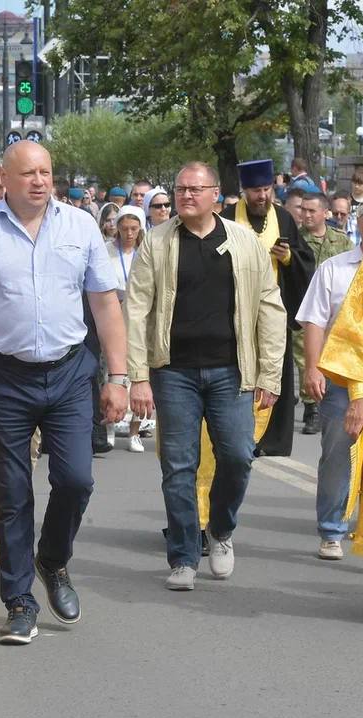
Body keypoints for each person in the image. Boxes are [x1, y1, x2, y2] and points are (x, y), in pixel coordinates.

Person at [0, 140, 128, 645]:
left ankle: (54, 560)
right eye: (28, 174)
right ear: (5, 178)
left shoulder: (81, 225)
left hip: (68, 373)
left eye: (46, 172)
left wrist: (120, 376)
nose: (39, 181)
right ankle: (19, 601)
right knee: (12, 495)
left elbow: (105, 305)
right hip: (4, 376)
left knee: (76, 479)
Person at [127, 162, 286, 591]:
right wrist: (137, 376)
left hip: (231, 370)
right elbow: (137, 308)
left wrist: (270, 375)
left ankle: (220, 529)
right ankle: (182, 556)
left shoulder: (245, 241)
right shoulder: (158, 242)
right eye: (180, 189)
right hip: (173, 371)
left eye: (195, 189)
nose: (186, 196)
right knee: (178, 467)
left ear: (216, 194)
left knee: (237, 456)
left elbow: (270, 307)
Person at [223, 159, 315, 457]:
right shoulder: (226, 218)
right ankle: (236, 434)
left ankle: (270, 439)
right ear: (244, 191)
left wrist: (288, 258)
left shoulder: (283, 219)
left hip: (273, 310)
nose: (262, 196)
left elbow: (304, 259)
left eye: (266, 189)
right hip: (233, 312)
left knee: (274, 374)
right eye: (255, 191)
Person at [298, 208, 363, 560]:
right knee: (339, 454)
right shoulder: (335, 269)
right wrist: (312, 368)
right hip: (339, 379)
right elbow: (314, 321)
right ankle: (332, 529)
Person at [296, 192, 354, 435]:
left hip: (331, 315)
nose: (307, 215)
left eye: (312, 210)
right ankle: (311, 406)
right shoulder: (295, 239)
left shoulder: (340, 241)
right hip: (304, 308)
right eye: (303, 210)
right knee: (304, 359)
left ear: (324, 213)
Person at [109, 204, 148, 452]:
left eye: (134, 229)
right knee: (112, 374)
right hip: (113, 316)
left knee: (138, 375)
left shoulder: (146, 251)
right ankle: (109, 427)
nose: (129, 233)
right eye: (125, 229)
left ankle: (135, 431)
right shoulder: (106, 251)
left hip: (138, 320)